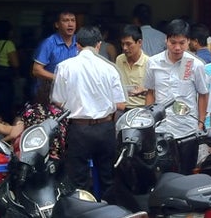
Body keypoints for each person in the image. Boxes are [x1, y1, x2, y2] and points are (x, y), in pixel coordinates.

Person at [51, 26, 126, 198]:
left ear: (78, 46)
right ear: (98, 45)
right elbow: (120, 104)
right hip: (105, 127)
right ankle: (110, 212)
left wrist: (76, 104)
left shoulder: (65, 67)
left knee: (78, 181)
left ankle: (82, 212)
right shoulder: (110, 68)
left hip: (79, 129)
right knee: (108, 178)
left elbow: (57, 100)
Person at [144, 19, 209, 174]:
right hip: (161, 129)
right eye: (173, 42)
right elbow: (150, 93)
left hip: (187, 130)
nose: (177, 47)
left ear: (188, 42)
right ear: (166, 40)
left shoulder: (195, 64)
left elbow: (203, 94)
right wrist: (149, 121)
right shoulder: (153, 62)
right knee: (162, 173)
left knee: (187, 172)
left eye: (182, 42)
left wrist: (200, 123)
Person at [32, 10, 79, 105]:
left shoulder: (80, 42)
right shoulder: (48, 43)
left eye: (73, 20)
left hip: (73, 93)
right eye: (65, 20)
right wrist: (60, 79)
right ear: (57, 24)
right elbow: (36, 70)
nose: (70, 24)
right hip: (49, 94)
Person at [0, 20, 19, 123]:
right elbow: (15, 63)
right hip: (5, 82)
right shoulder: (8, 44)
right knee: (6, 109)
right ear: (8, 31)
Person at [115, 24, 150, 112]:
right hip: (122, 108)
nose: (125, 48)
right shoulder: (119, 59)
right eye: (122, 44)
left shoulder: (149, 62)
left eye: (128, 44)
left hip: (141, 108)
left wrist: (144, 90)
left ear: (139, 42)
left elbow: (154, 91)